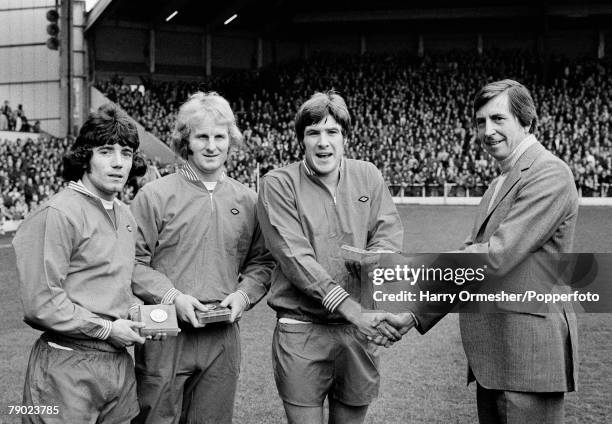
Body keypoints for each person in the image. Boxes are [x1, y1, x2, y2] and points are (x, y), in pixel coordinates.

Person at [382, 79, 579, 424]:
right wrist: (415, 314)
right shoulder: (499, 182)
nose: (487, 130)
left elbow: (494, 256)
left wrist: (413, 303)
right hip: (497, 353)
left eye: (498, 119)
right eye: (480, 121)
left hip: (527, 356)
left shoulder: (550, 173)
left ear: (526, 120)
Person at [256, 91, 404, 424]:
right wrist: (352, 309)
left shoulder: (368, 175)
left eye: (332, 132)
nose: (323, 142)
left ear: (345, 138)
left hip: (359, 333)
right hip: (302, 328)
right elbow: (294, 258)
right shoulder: (277, 183)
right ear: (301, 141)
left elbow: (389, 233)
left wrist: (378, 257)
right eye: (313, 133)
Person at [130, 91, 274, 424]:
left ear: (230, 141)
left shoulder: (248, 200)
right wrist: (172, 297)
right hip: (165, 330)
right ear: (186, 142)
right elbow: (132, 262)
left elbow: (262, 263)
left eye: (219, 136)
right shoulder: (154, 195)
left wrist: (244, 295)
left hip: (222, 335)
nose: (211, 146)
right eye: (202, 136)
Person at [13, 103, 148, 423]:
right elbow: (41, 303)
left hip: (117, 366)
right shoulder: (56, 214)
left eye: (126, 153)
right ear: (85, 155)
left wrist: (140, 315)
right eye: (106, 151)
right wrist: (106, 328)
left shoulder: (126, 216)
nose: (118, 162)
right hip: (65, 364)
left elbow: (114, 286)